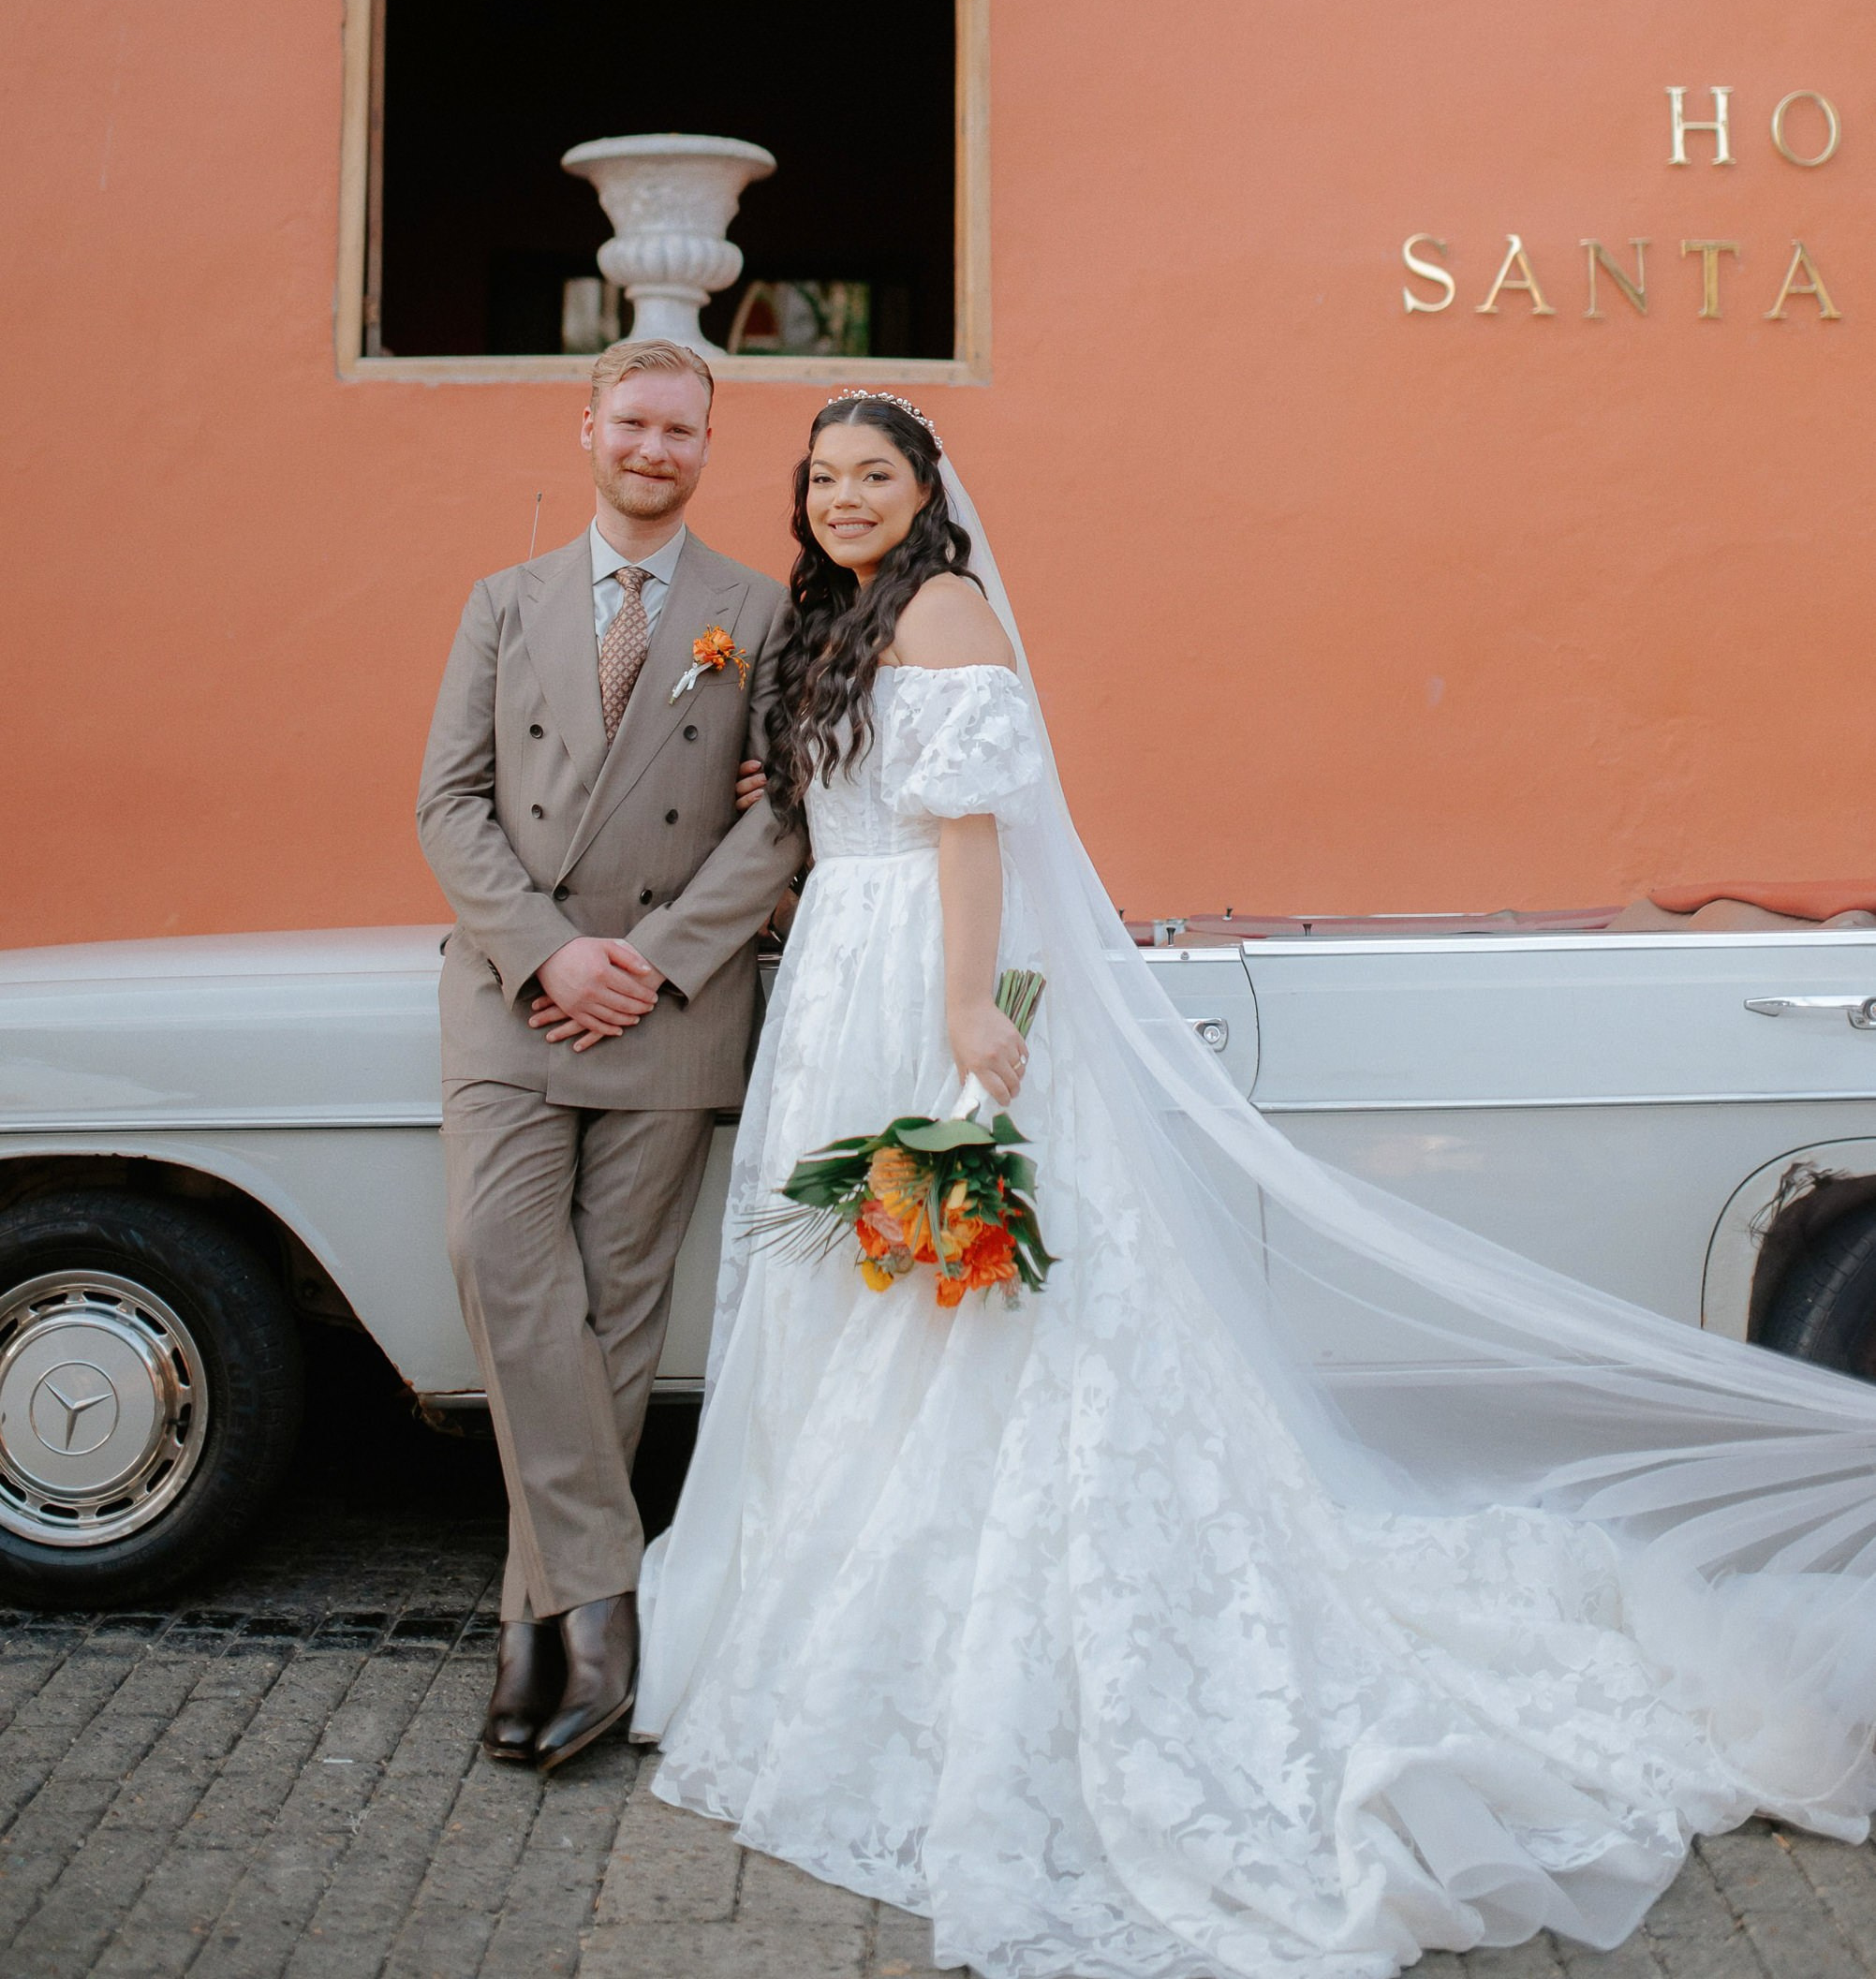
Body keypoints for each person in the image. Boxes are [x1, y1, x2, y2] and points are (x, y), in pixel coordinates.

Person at [636, 392, 1876, 1979]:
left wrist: (962, 1020)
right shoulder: (846, 618)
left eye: (875, 474)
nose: (844, 498)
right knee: (869, 1301)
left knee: (953, 1306)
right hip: (842, 976)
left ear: (930, 491)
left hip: (916, 981)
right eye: (822, 479)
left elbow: (972, 841)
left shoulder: (944, 608)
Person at [417, 337, 802, 1772]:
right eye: (632, 422)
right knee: (499, 1265)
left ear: (711, 445)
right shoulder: (501, 605)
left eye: (682, 430)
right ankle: (606, 1601)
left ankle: (539, 1638)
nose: (655, 447)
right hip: (516, 1001)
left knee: (615, 1317)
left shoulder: (757, 610)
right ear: (585, 427)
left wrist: (652, 959)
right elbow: (447, 802)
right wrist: (547, 952)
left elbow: (781, 815)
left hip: (668, 1004)